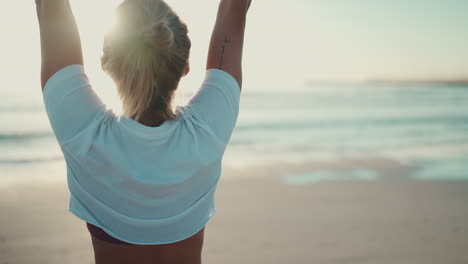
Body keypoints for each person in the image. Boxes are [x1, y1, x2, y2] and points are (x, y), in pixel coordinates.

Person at [35, 0, 251, 263]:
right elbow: (234, 9)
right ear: (184, 68)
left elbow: (50, 8)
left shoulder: (84, 136)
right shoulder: (207, 132)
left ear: (105, 64)